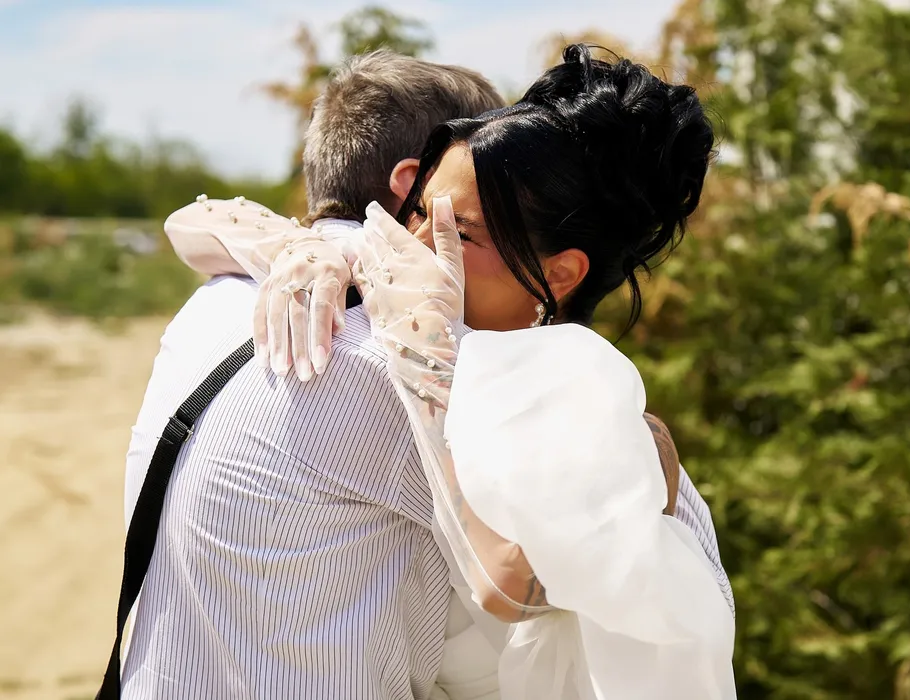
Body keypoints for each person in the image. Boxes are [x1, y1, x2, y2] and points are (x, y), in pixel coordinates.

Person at [176, 46, 737, 699]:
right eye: (419, 212)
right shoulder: (418, 304)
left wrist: (431, 369)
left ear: (560, 274)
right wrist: (301, 244)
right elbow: (192, 221)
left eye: (458, 235)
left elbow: (511, 583)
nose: (415, 246)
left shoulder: (550, 383)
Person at [120, 51, 510, 700]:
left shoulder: (212, 301)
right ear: (416, 187)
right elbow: (545, 574)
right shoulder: (405, 360)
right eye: (491, 186)